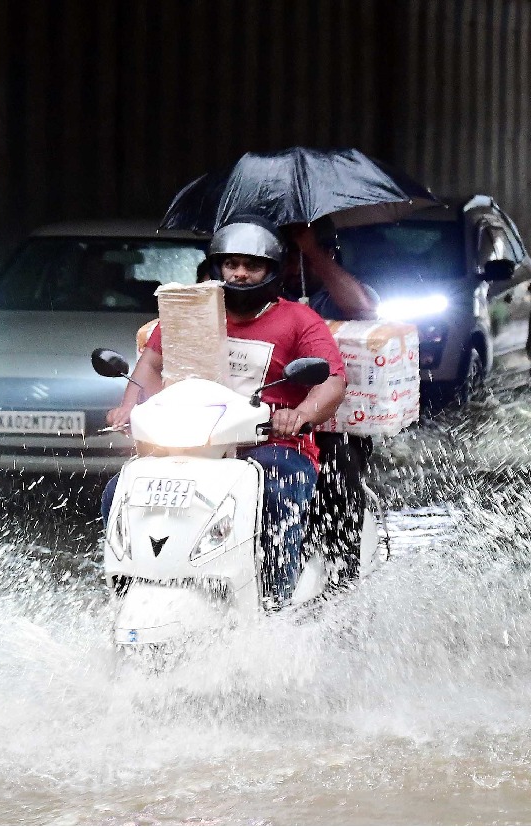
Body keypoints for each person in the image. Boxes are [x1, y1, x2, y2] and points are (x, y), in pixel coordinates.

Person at [104, 217, 348, 607]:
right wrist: (129, 407)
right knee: (121, 490)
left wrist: (300, 414)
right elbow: (151, 363)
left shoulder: (300, 320)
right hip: (196, 444)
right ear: (217, 267)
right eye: (232, 263)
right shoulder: (191, 314)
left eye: (252, 266)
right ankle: (128, 589)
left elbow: (332, 380)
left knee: (277, 488)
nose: (241, 273)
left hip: (272, 443)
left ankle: (274, 599)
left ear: (273, 270)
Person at [281, 222, 380, 588]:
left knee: (338, 468)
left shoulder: (332, 296)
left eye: (296, 256)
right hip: (270, 418)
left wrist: (311, 252)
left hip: (334, 424)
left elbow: (364, 308)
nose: (290, 264)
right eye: (285, 255)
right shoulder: (260, 298)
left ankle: (342, 575)